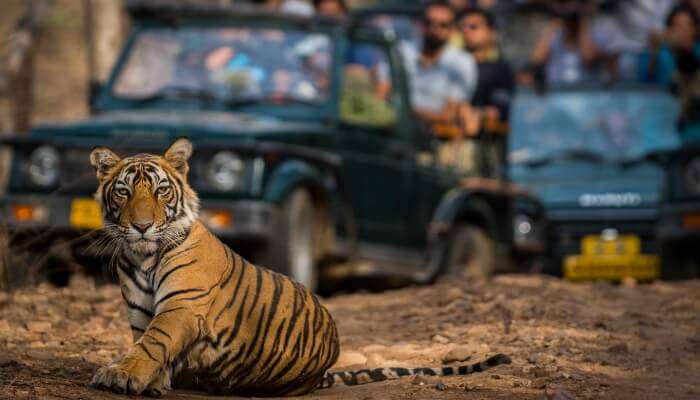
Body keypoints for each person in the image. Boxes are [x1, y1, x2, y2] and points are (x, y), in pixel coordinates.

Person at [402, 1, 478, 138]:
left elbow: (448, 115)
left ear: (452, 30)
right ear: (421, 24)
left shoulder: (462, 62)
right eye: (429, 23)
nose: (434, 29)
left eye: (443, 25)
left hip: (436, 138)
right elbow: (382, 93)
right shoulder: (402, 51)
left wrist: (404, 112)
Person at [460, 8, 514, 178]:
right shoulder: (452, 65)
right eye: (463, 27)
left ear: (490, 32)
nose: (467, 31)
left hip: (483, 144)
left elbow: (500, 107)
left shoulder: (500, 69)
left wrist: (480, 114)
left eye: (474, 26)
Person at [639, 5, 700, 141]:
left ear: (695, 29)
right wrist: (654, 52)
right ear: (669, 29)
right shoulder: (658, 51)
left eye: (687, 26)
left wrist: (687, 50)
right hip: (662, 123)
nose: (682, 31)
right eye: (677, 26)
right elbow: (644, 79)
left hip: (694, 127)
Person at [528, 0, 606, 84]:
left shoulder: (595, 34)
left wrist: (582, 20)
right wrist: (555, 22)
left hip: (586, 91)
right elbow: (537, 60)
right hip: (556, 91)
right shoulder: (554, 33)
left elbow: (588, 58)